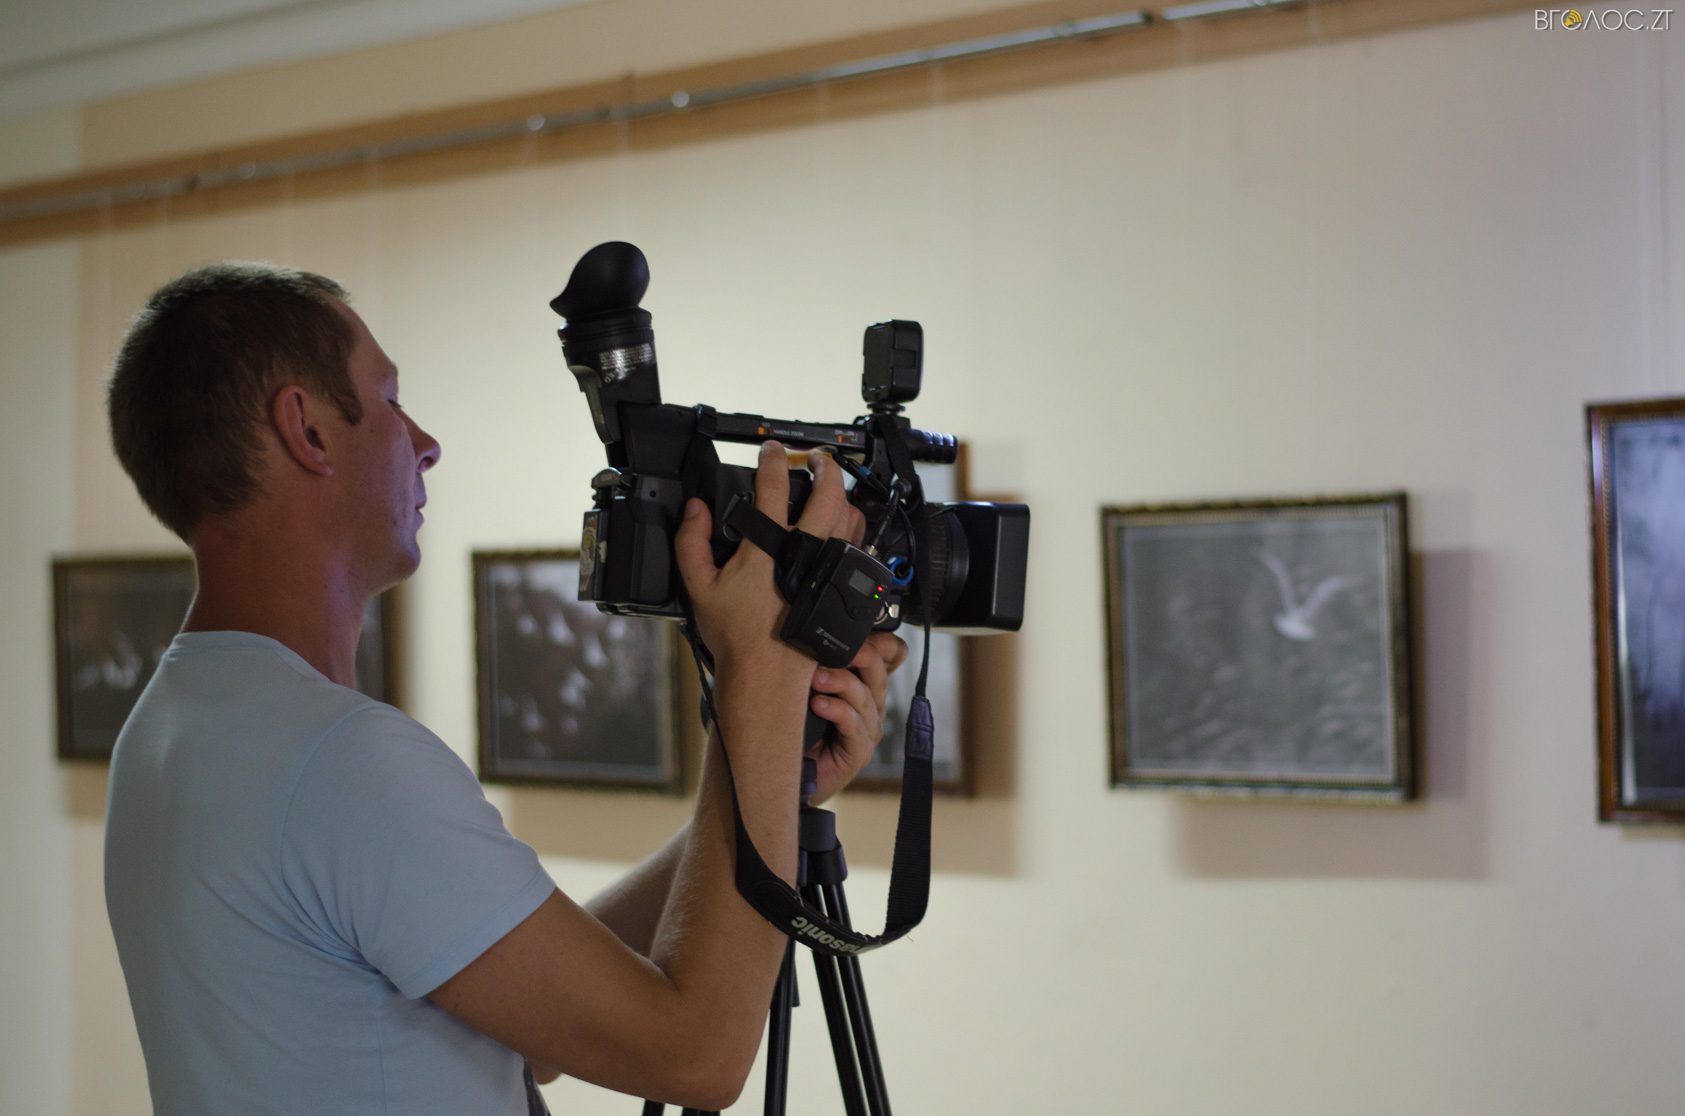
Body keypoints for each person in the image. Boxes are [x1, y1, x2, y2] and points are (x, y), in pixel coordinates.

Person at [102, 262, 908, 1113]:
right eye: (389, 401)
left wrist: (771, 782)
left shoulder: (174, 727)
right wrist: (763, 666)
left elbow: (535, 1021)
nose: (425, 442)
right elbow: (697, 1055)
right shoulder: (341, 761)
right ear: (306, 429)